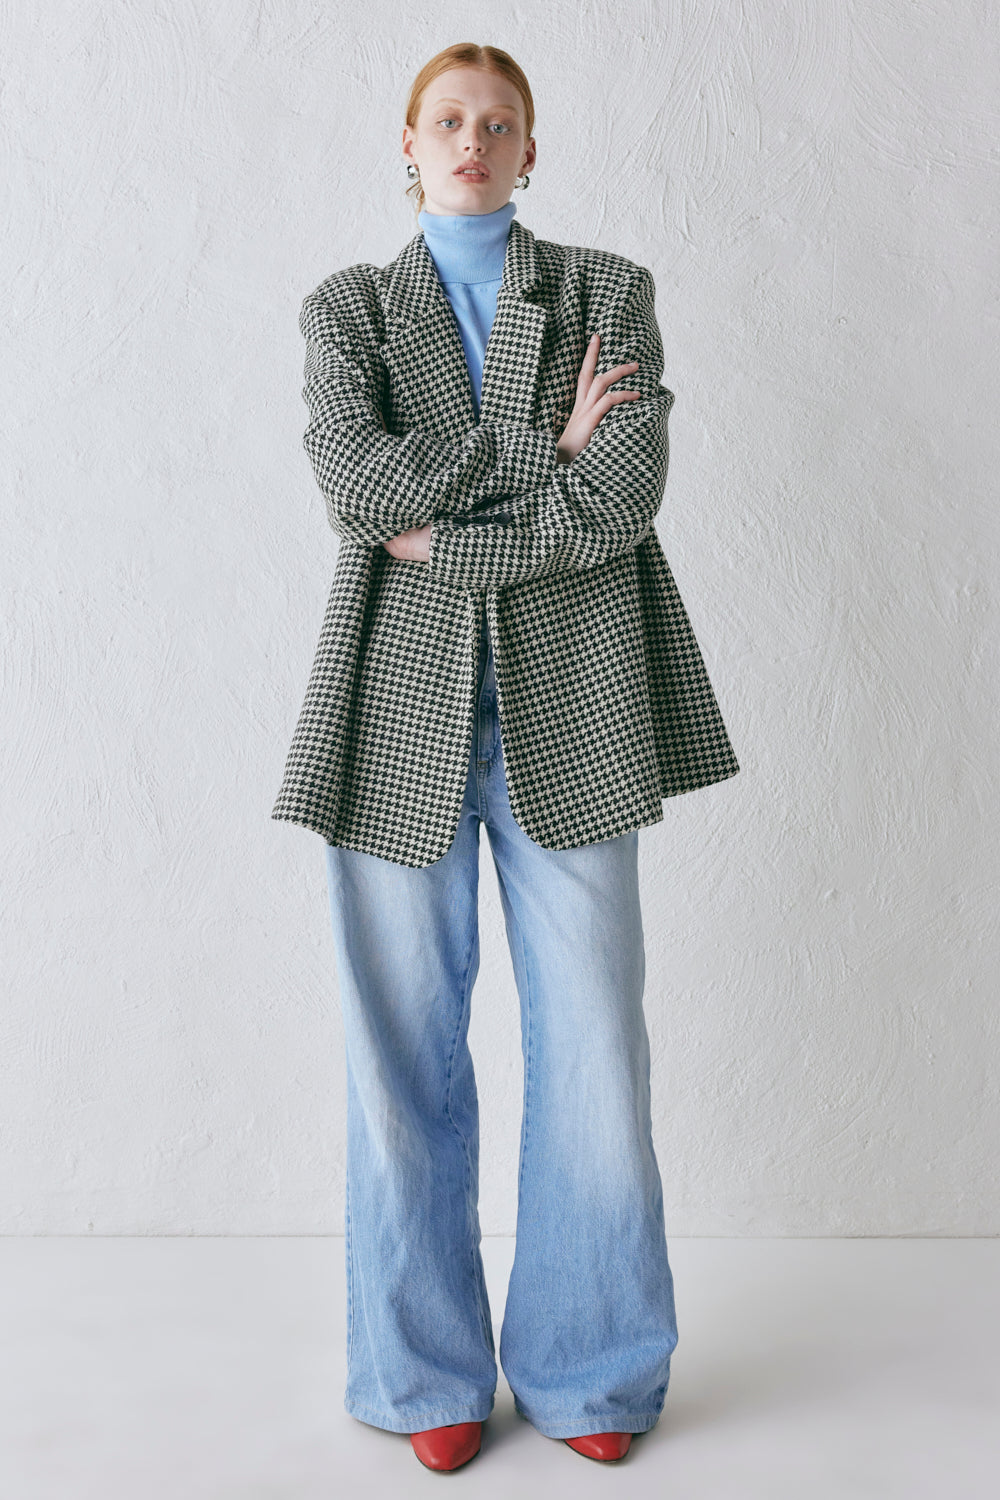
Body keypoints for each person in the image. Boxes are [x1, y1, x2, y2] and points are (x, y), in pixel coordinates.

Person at [271, 43, 740, 1472]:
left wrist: (449, 525)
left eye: (498, 123)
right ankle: (424, 1377)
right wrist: (545, 452)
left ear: (532, 150)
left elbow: (625, 496)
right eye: (447, 122)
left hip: (577, 706)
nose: (471, 141)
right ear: (408, 147)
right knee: (399, 1053)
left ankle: (592, 1371)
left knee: (594, 1044)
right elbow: (361, 488)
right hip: (392, 714)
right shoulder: (348, 309)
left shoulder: (607, 291)